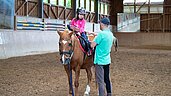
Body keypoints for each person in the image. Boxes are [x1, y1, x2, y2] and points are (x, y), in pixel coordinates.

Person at [90, 17, 116, 96]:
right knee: (107, 79)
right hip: (107, 60)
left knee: (100, 81)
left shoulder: (101, 34)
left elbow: (92, 45)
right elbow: (103, 38)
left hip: (99, 61)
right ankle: (109, 93)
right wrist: (97, 35)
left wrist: (94, 38)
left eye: (100, 23)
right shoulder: (110, 34)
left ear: (102, 24)